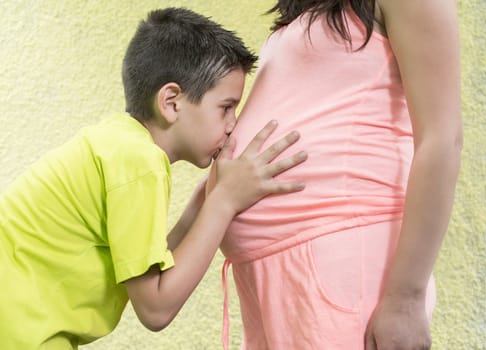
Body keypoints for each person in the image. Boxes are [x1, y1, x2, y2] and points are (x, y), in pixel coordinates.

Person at [0, 7, 308, 349]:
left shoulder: (121, 145)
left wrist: (206, 199)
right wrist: (224, 202)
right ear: (172, 102)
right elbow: (156, 309)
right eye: (226, 107)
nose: (233, 123)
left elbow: (155, 267)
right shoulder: (138, 163)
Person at [214, 0, 462, 349]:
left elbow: (443, 137)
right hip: (272, 275)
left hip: (343, 260)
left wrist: (407, 296)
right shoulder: (308, 9)